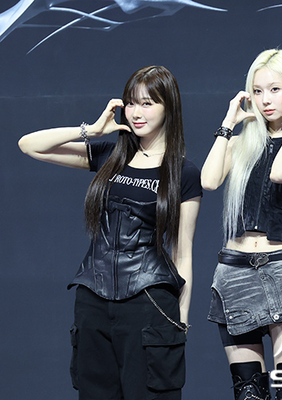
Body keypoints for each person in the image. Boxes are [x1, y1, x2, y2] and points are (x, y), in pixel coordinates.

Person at [17, 65, 202, 399]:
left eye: (147, 103)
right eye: (131, 103)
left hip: (149, 302)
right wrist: (90, 130)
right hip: (92, 301)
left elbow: (183, 251)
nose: (136, 113)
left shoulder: (183, 173)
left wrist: (182, 319)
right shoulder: (109, 156)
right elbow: (29, 145)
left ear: (169, 107)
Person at [201, 49, 282, 400]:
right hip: (235, 273)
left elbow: (281, 173)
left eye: (275, 89)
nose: (264, 100)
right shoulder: (241, 144)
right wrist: (228, 124)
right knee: (248, 393)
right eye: (257, 91)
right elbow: (209, 181)